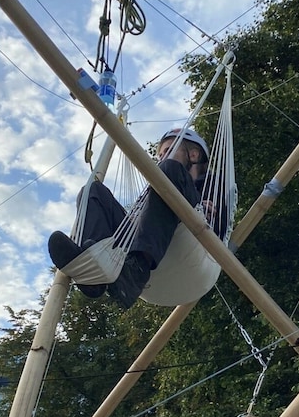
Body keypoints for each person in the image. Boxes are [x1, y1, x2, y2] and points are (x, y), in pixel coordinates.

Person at [48, 127, 211, 309]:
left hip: (191, 245)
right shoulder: (157, 195)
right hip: (141, 250)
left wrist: (210, 210)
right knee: (93, 191)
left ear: (194, 155)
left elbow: (221, 224)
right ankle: (94, 272)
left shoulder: (211, 187)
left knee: (168, 171)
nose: (162, 158)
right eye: (160, 155)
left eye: (168, 151)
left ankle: (138, 268)